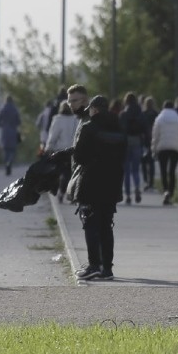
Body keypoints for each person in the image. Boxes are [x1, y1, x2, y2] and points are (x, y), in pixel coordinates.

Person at [65, 92, 125, 280]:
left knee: (90, 224)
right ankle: (107, 268)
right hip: (112, 183)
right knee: (107, 225)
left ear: (95, 109)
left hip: (90, 183)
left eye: (90, 109)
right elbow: (124, 156)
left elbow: (79, 157)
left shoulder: (88, 128)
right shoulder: (119, 129)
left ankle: (94, 265)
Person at [151, 100, 178, 205]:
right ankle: (170, 193)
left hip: (162, 147)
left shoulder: (159, 119)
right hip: (175, 147)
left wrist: (153, 149)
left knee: (163, 170)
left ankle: (165, 190)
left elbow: (155, 136)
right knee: (172, 171)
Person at [44, 100, 78, 202]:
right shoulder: (76, 119)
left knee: (61, 172)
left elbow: (53, 135)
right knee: (69, 173)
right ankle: (67, 192)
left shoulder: (57, 119)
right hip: (72, 150)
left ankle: (61, 191)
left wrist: (49, 147)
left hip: (60, 150)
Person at [118, 91, 146, 205]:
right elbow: (145, 128)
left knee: (126, 171)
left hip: (126, 142)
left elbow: (119, 130)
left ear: (126, 101)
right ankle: (137, 188)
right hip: (137, 141)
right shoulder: (140, 113)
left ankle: (128, 195)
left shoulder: (123, 114)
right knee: (136, 170)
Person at [0, 94, 22, 176]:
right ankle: (9, 162)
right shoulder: (15, 110)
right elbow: (19, 122)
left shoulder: (2, 109)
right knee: (12, 150)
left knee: (6, 150)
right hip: (13, 132)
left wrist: (3, 125)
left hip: (5, 132)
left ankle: (6, 164)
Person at [140, 96, 159, 191]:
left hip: (144, 140)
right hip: (153, 140)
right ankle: (151, 182)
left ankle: (146, 181)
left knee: (144, 162)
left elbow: (140, 127)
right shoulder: (156, 114)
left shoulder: (142, 114)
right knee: (151, 162)